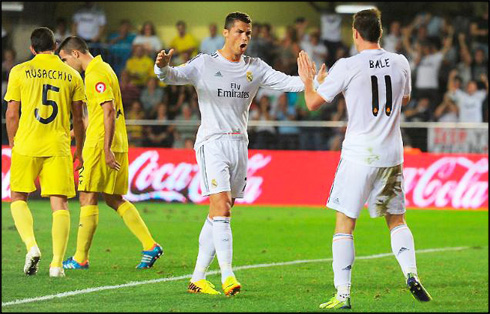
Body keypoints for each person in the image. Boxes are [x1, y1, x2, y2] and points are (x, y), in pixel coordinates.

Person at [154, 11, 326, 296]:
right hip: (212, 142)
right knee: (221, 207)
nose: (245, 37)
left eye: (248, 33)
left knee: (220, 211)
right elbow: (171, 77)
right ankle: (228, 275)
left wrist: (314, 81)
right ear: (226, 33)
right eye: (239, 32)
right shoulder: (205, 63)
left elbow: (289, 82)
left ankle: (197, 277)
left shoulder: (255, 67)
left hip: (239, 145)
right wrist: (162, 67)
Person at [297, 9, 432, 309]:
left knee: (345, 223)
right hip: (391, 154)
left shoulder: (347, 66)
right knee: (396, 220)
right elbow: (404, 98)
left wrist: (310, 81)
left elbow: (312, 103)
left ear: (355, 33)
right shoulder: (401, 62)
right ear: (379, 33)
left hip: (359, 154)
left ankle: (342, 294)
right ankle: (411, 273)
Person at [57, 36, 163, 271]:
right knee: (113, 198)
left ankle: (80, 258)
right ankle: (149, 245)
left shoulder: (95, 73)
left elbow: (108, 111)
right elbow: (94, 114)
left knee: (86, 195)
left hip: (101, 144)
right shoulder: (104, 69)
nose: (65, 66)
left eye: (64, 60)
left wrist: (105, 149)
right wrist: (72, 135)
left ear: (75, 54)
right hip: (115, 141)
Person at [4, 27, 85, 277]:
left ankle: (31, 246)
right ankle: (57, 264)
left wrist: (13, 143)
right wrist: (79, 149)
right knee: (59, 204)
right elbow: (79, 120)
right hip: (57, 145)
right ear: (56, 46)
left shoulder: (19, 71)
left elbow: (11, 114)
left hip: (26, 143)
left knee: (18, 198)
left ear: (31, 48)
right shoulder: (72, 75)